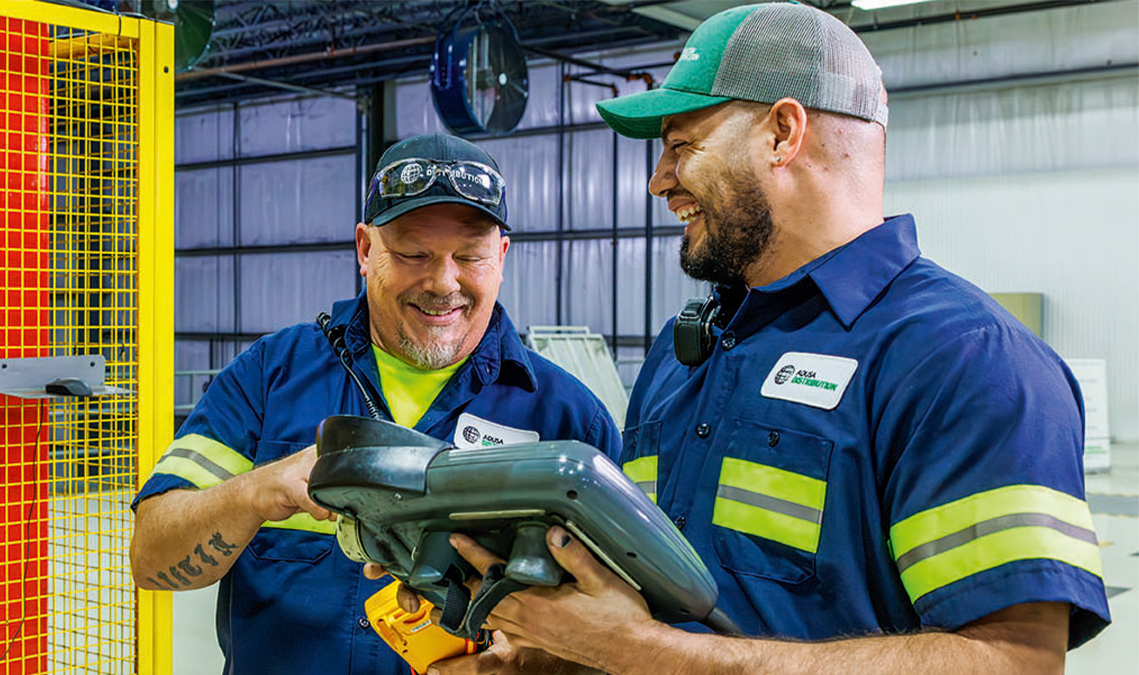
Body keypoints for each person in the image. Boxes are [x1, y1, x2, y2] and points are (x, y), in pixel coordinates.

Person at [433, 4, 1110, 674]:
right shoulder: (679, 355)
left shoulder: (964, 359)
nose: (658, 181)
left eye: (680, 146)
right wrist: (558, 656)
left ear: (784, 132)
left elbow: (1013, 659)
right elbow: (657, 616)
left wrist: (636, 652)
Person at [129, 133, 622, 675]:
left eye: (470, 256)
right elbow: (153, 558)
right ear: (366, 249)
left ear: (501, 256)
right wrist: (256, 492)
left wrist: (538, 663)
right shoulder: (271, 375)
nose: (443, 281)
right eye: (414, 253)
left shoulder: (570, 423)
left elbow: (627, 632)